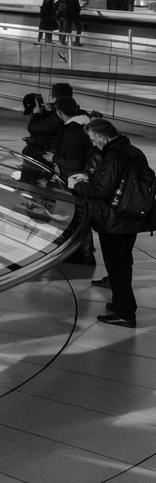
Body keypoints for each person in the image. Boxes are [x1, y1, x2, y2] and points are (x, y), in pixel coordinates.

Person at [68, 119, 151, 327]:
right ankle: (119, 303)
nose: (93, 144)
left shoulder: (113, 156)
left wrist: (78, 185)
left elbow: (101, 191)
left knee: (116, 266)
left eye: (94, 140)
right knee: (124, 261)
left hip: (113, 220)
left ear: (103, 137)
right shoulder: (133, 151)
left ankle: (125, 312)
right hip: (131, 216)